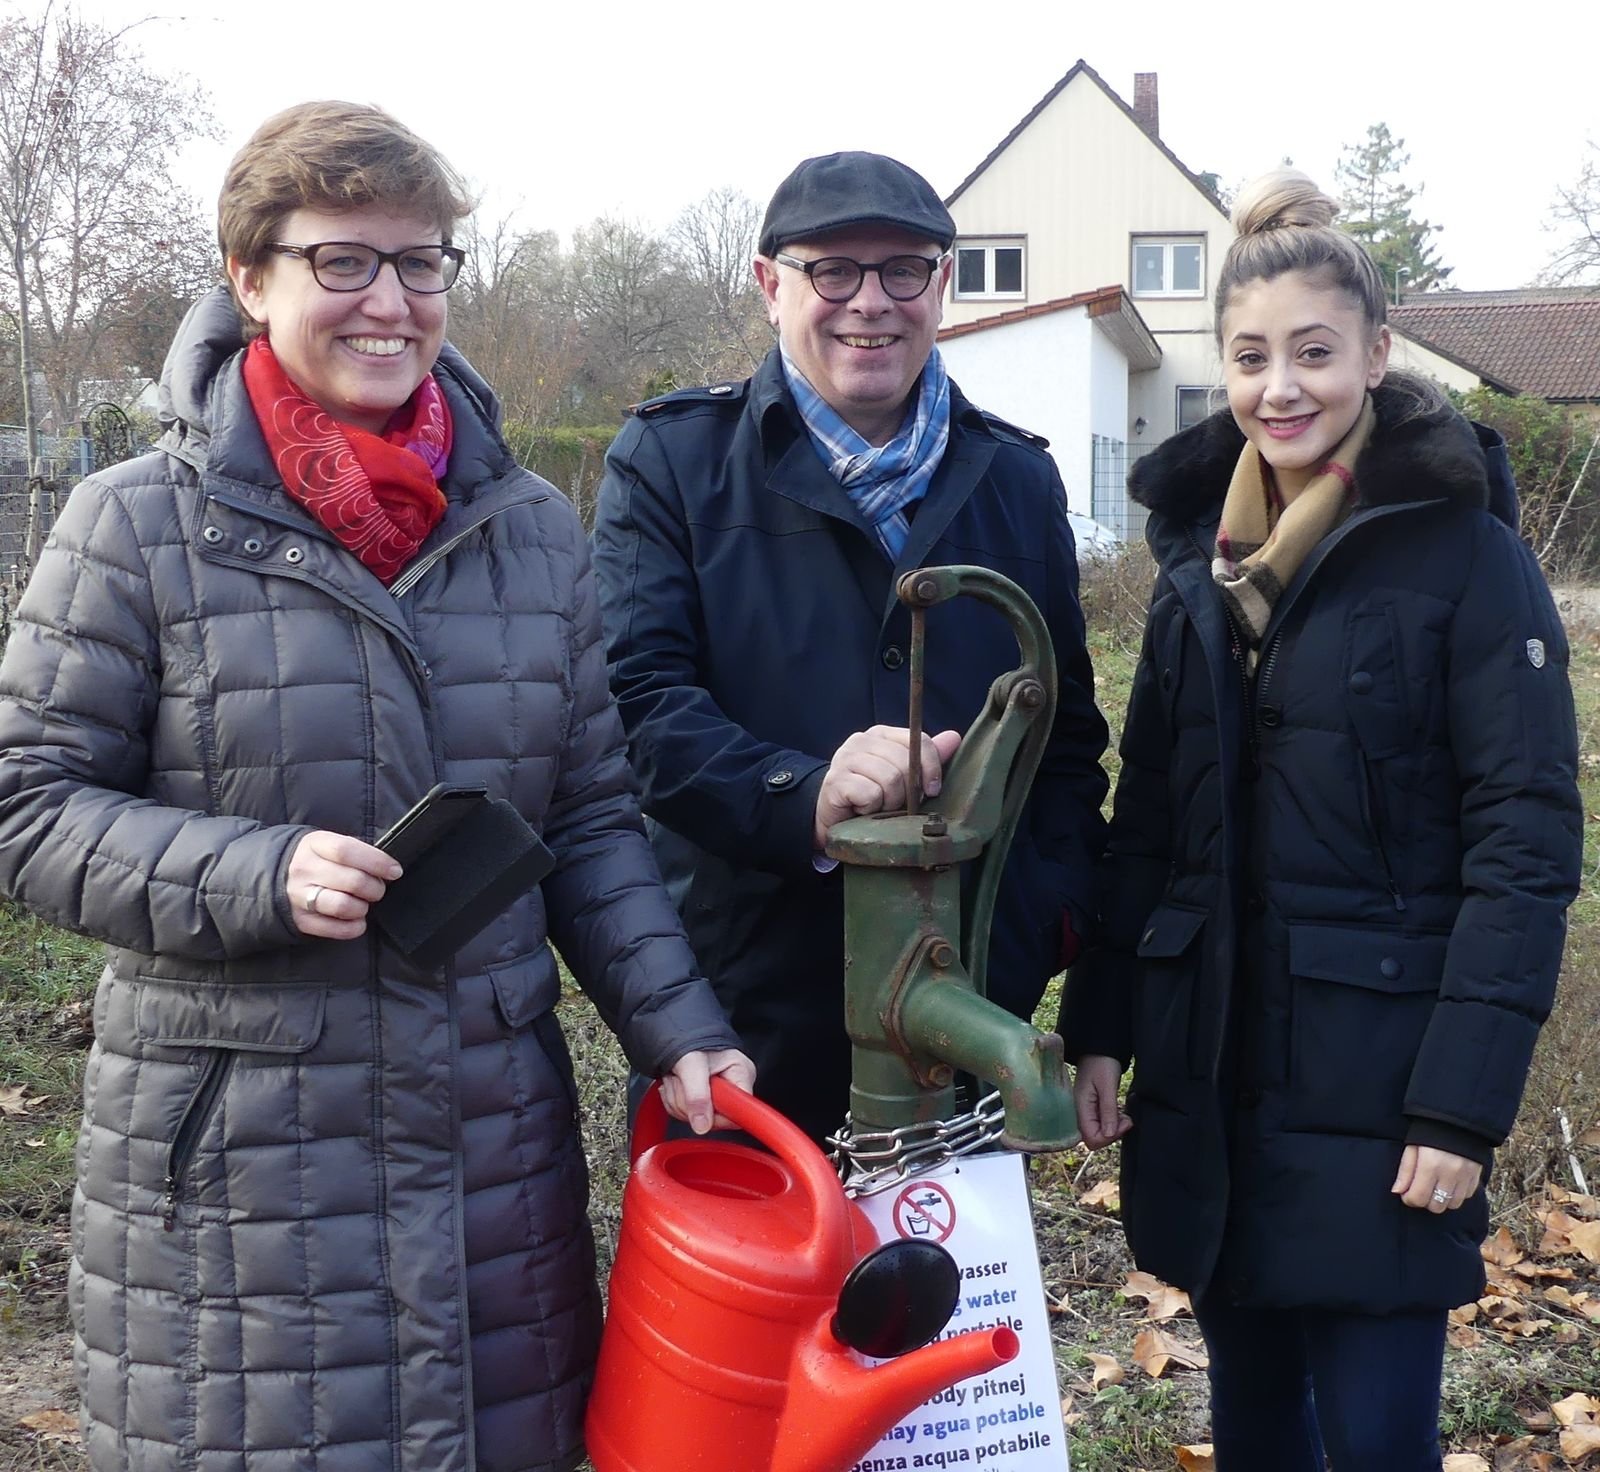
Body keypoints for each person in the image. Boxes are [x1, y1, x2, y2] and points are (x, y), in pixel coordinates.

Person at [0, 101, 752, 1472]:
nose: (390, 301)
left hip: (488, 1153)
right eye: (342, 260)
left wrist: (678, 1028)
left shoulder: (526, 527)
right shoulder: (135, 524)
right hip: (239, 1181)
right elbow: (28, 807)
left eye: (422, 263)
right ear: (250, 276)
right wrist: (256, 872)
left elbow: (585, 815)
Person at [1061, 169, 1583, 1471]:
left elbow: (1524, 841)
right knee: (1253, 1424)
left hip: (1387, 1096)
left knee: (1375, 1436)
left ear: (1378, 355)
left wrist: (1462, 1109)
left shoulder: (1467, 557)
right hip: (1217, 1085)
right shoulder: (1199, 573)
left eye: (1313, 353)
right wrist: (1104, 1027)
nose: (1280, 388)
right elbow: (1152, 825)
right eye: (1250, 358)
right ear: (1220, 368)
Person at [592, 151, 1108, 1145]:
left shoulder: (1015, 480)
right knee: (753, 1302)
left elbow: (1067, 740)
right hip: (739, 1027)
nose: (869, 302)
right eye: (833, 270)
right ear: (768, 284)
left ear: (941, 284)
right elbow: (638, 707)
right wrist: (804, 795)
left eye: (902, 270)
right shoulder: (672, 463)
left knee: (947, 1300)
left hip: (955, 1030)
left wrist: (1029, 930)